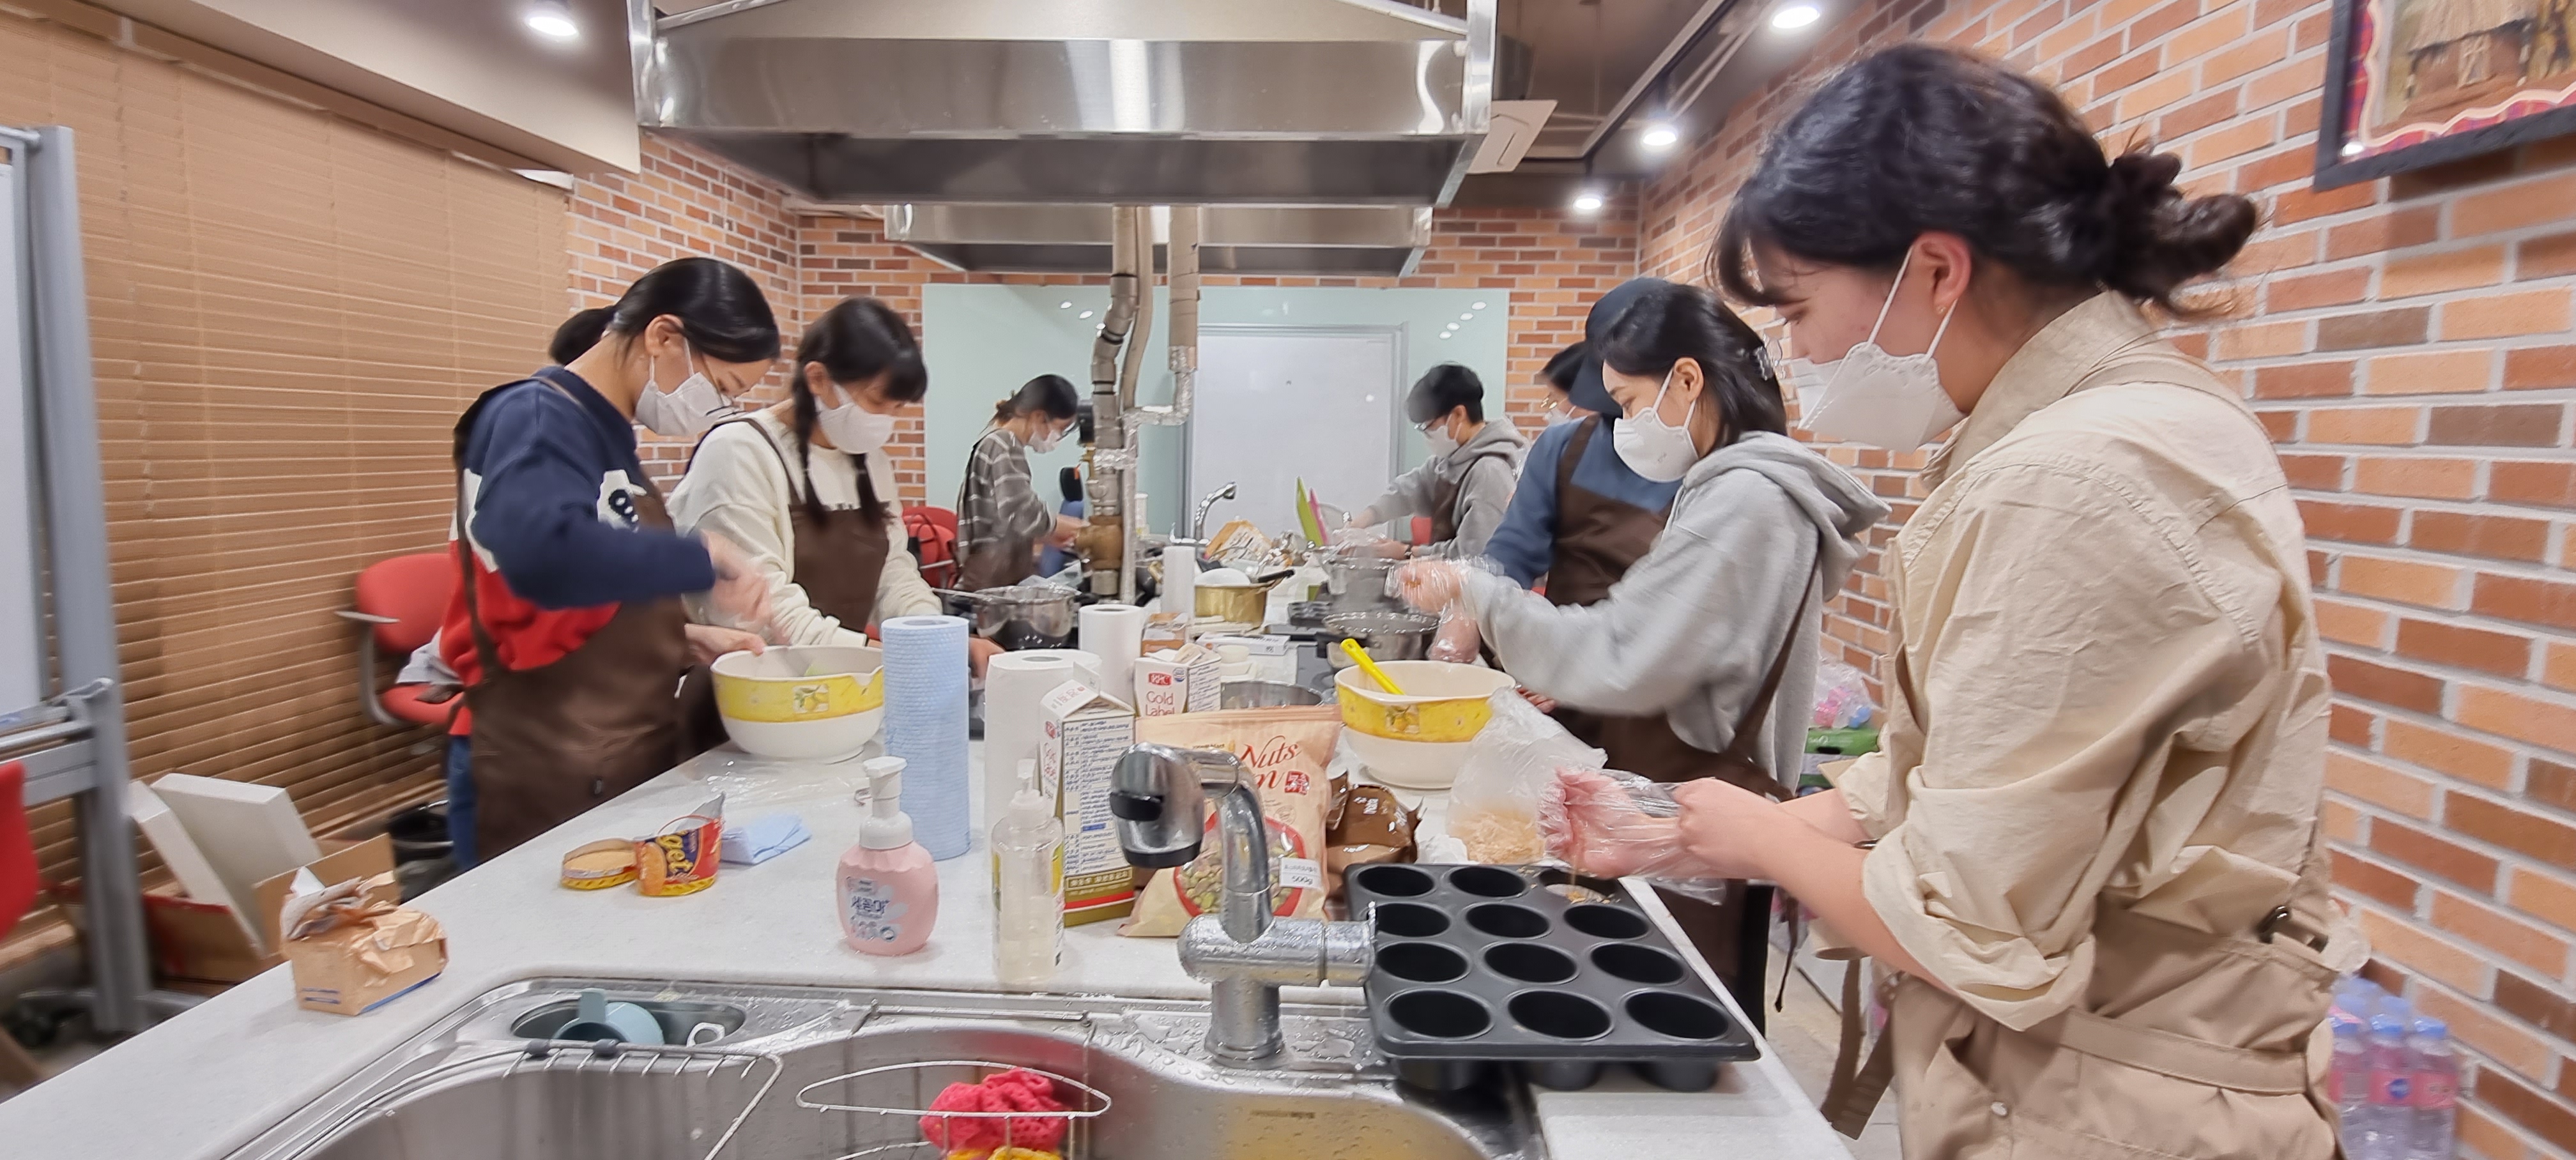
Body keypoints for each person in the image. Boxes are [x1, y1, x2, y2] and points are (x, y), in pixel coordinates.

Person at [1665, 44, 2358, 1156]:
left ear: (1936, 271)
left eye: (1797, 311)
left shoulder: (2073, 477)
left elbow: (1965, 928)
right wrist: (1718, 833)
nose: (1796, 353)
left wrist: (1756, 835)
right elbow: (1976, 764)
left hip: (2117, 1101)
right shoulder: (2115, 418)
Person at [1397, 280, 1886, 1024]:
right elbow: (1668, 648)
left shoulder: (1747, 499)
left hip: (1699, 808)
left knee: (1667, 1020)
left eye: (1627, 403)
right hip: (1678, 801)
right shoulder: (1739, 486)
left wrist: (1477, 591)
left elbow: (1621, 652)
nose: (1623, 425)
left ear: (1687, 380)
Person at [442, 257, 779, 859]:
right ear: (664, 336)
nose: (717, 410)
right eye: (722, 388)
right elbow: (544, 558)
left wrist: (678, 639)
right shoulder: (534, 418)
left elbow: (594, 587)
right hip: (542, 762)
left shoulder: (605, 437)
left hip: (613, 753)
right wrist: (699, 556)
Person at [668, 297, 1002, 673]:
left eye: (897, 409)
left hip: (845, 681)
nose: (886, 421)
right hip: (757, 683)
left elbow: (893, 573)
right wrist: (885, 654)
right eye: (877, 402)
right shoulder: (740, 452)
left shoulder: (870, 462)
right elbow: (764, 610)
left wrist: (935, 636)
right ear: (817, 379)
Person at [1354, 363, 1527, 558]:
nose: (1427, 434)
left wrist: (1407, 552)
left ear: (1458, 415)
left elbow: (1473, 554)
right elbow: (1407, 491)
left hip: (1475, 576)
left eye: (1428, 426)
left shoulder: (1490, 471)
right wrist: (1363, 521)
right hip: (1449, 574)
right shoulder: (1450, 460)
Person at [955, 374, 1084, 591]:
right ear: (1039, 416)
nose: (1057, 438)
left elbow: (1007, 520)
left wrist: (1047, 536)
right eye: (1060, 430)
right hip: (989, 589)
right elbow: (1024, 513)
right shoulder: (1002, 444)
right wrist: (1083, 529)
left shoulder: (1001, 444)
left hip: (998, 582)